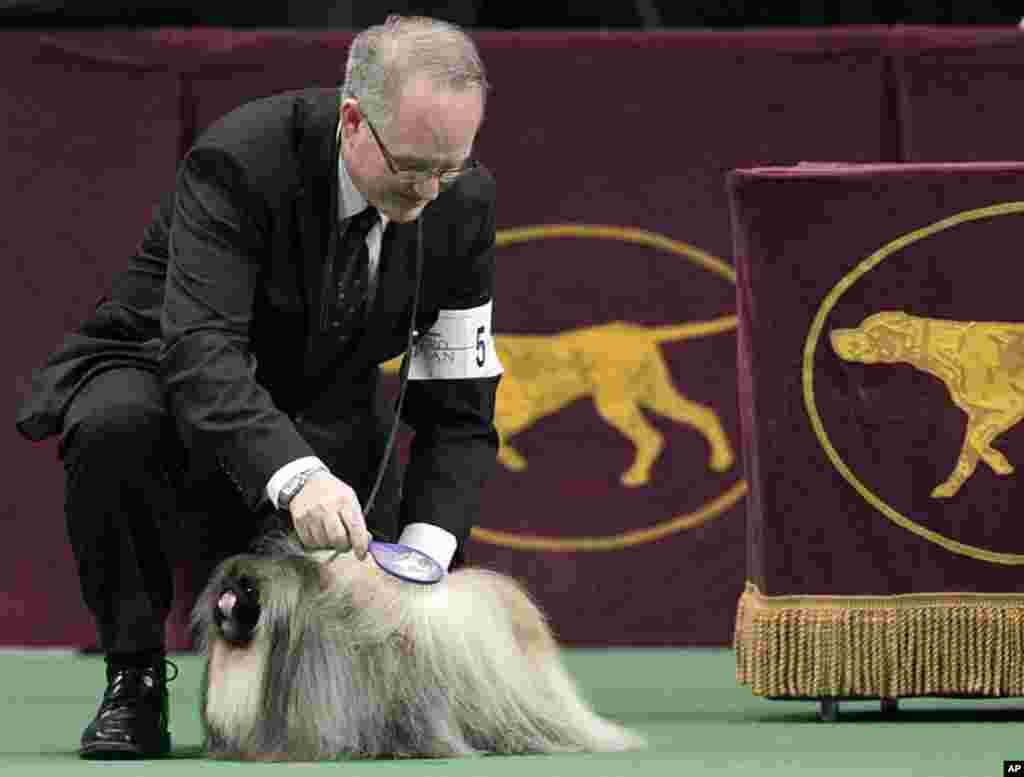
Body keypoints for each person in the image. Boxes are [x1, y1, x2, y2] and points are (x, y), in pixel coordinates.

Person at [15, 14, 502, 759]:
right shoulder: (241, 160)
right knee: (112, 421)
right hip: (166, 374)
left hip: (327, 396)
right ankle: (135, 679)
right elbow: (200, 348)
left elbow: (458, 407)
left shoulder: (460, 204)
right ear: (352, 121)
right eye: (411, 167)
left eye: (451, 167)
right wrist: (298, 475)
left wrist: (426, 559)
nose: (431, 192)